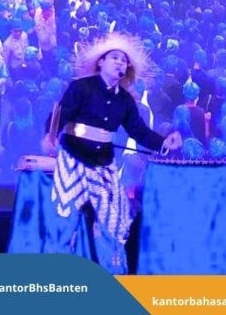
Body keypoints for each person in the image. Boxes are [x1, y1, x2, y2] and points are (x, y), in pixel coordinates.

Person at [47, 32, 182, 274]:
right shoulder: (81, 87)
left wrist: (164, 143)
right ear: (101, 61)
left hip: (103, 163)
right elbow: (60, 117)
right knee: (64, 219)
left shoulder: (126, 101)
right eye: (115, 58)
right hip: (73, 159)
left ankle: (113, 276)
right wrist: (50, 136)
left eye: (123, 60)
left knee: (113, 222)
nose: (120, 62)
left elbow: (139, 131)